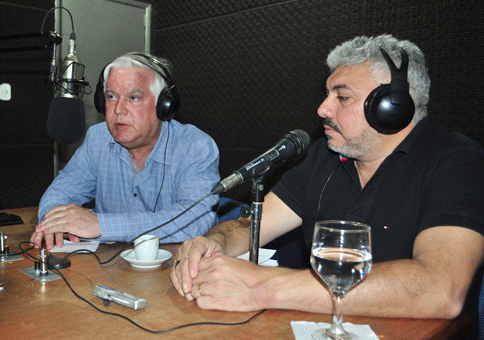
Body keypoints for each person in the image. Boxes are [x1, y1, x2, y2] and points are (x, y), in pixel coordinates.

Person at [170, 35, 484, 322]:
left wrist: (263, 287)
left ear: (392, 107)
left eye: (342, 97)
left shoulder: (456, 160)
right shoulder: (325, 156)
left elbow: (442, 289)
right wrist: (213, 243)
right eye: (327, 94)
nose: (322, 109)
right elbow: (250, 226)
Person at [31, 52, 220, 250]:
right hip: (110, 271)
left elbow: (196, 219)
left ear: (164, 105)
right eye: (111, 97)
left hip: (175, 270)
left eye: (133, 98)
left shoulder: (194, 146)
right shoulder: (98, 139)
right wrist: (53, 223)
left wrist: (101, 225)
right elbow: (60, 191)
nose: (118, 109)